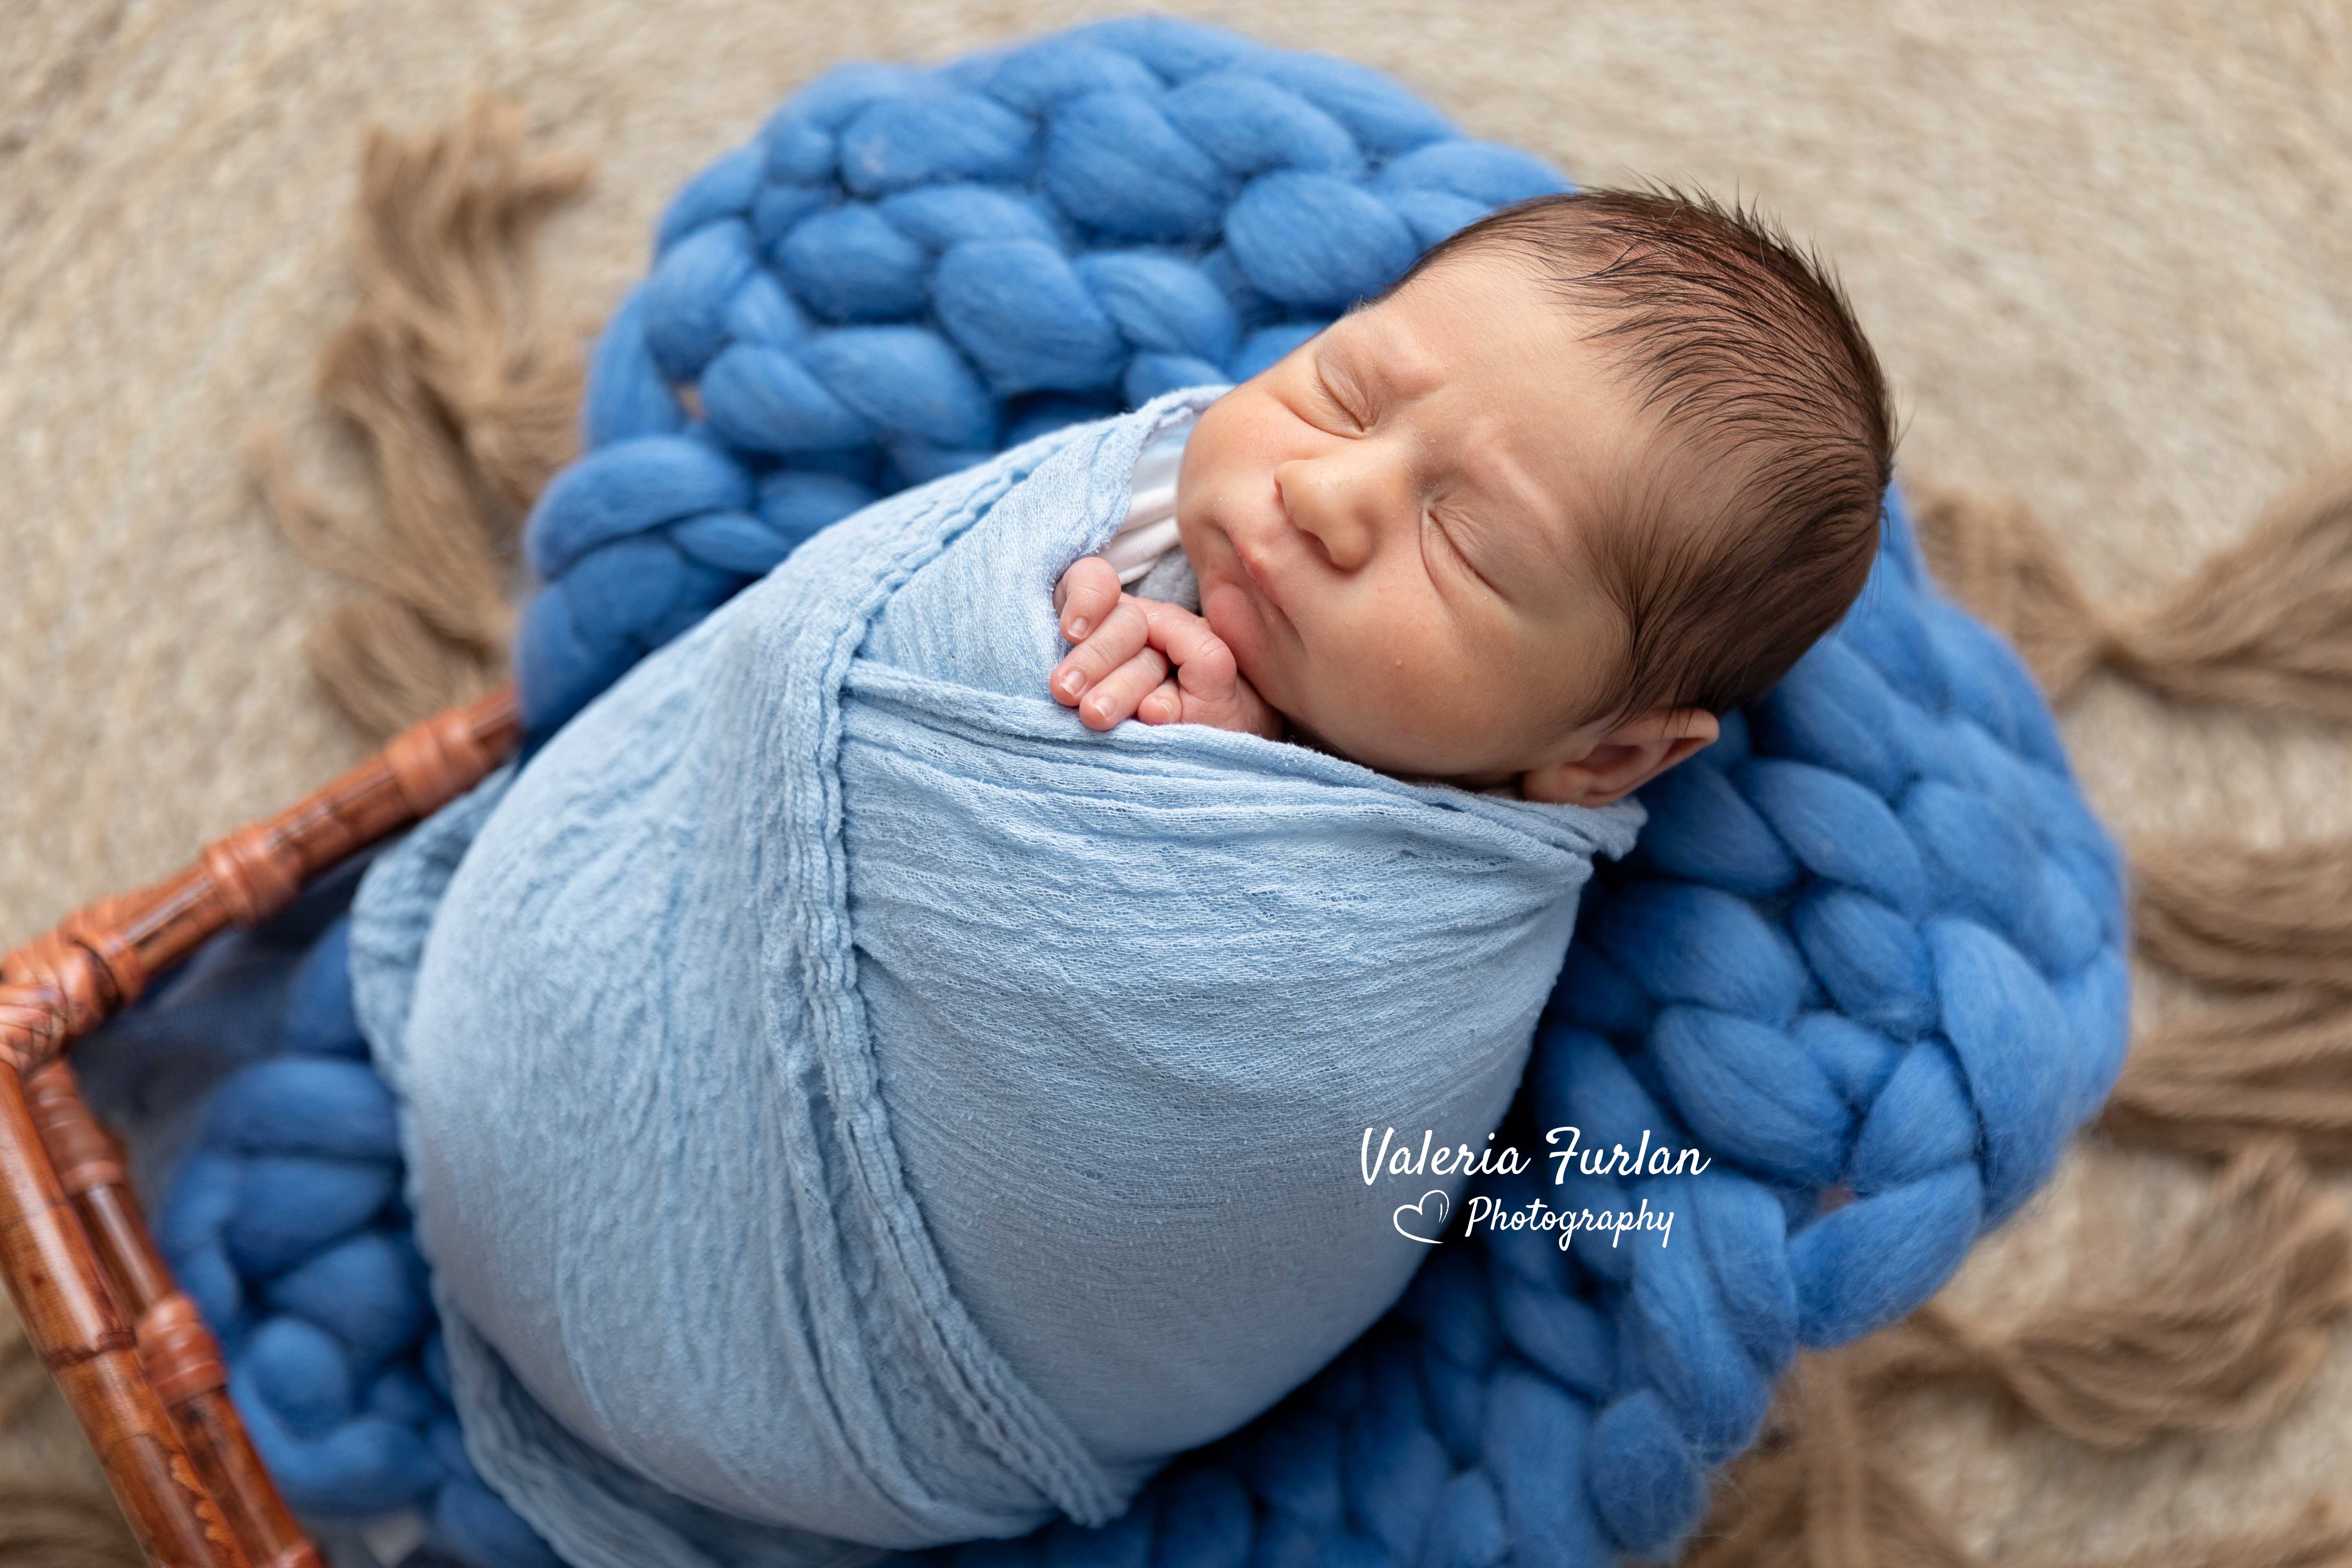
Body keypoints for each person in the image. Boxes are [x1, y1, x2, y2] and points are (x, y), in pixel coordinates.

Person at [1049, 186, 1896, 805]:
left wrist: (1226, 774)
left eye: (1467, 544)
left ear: (1604, 758)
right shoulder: (1134, 483)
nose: (1321, 494)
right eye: (1343, 396)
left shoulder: (1438, 909)